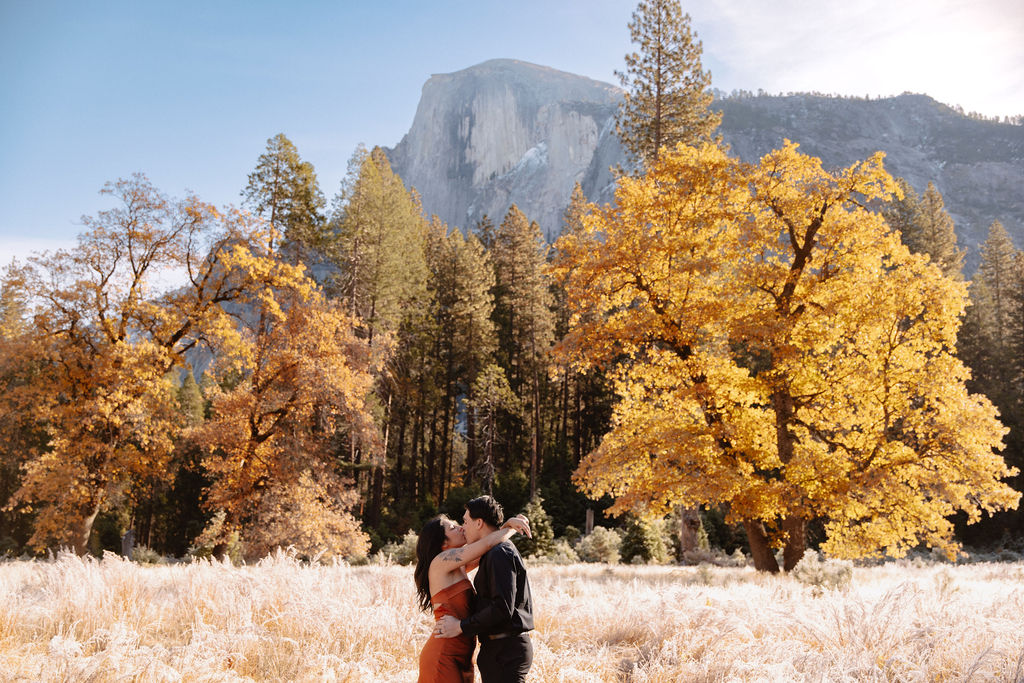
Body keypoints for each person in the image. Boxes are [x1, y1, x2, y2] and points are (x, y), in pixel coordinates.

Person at [415, 510, 531, 683]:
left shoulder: (457, 567)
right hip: (444, 652)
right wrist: (512, 527)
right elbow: (486, 544)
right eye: (453, 528)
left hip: (462, 651)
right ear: (443, 543)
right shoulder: (441, 561)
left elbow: (488, 544)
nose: (461, 528)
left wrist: (508, 525)